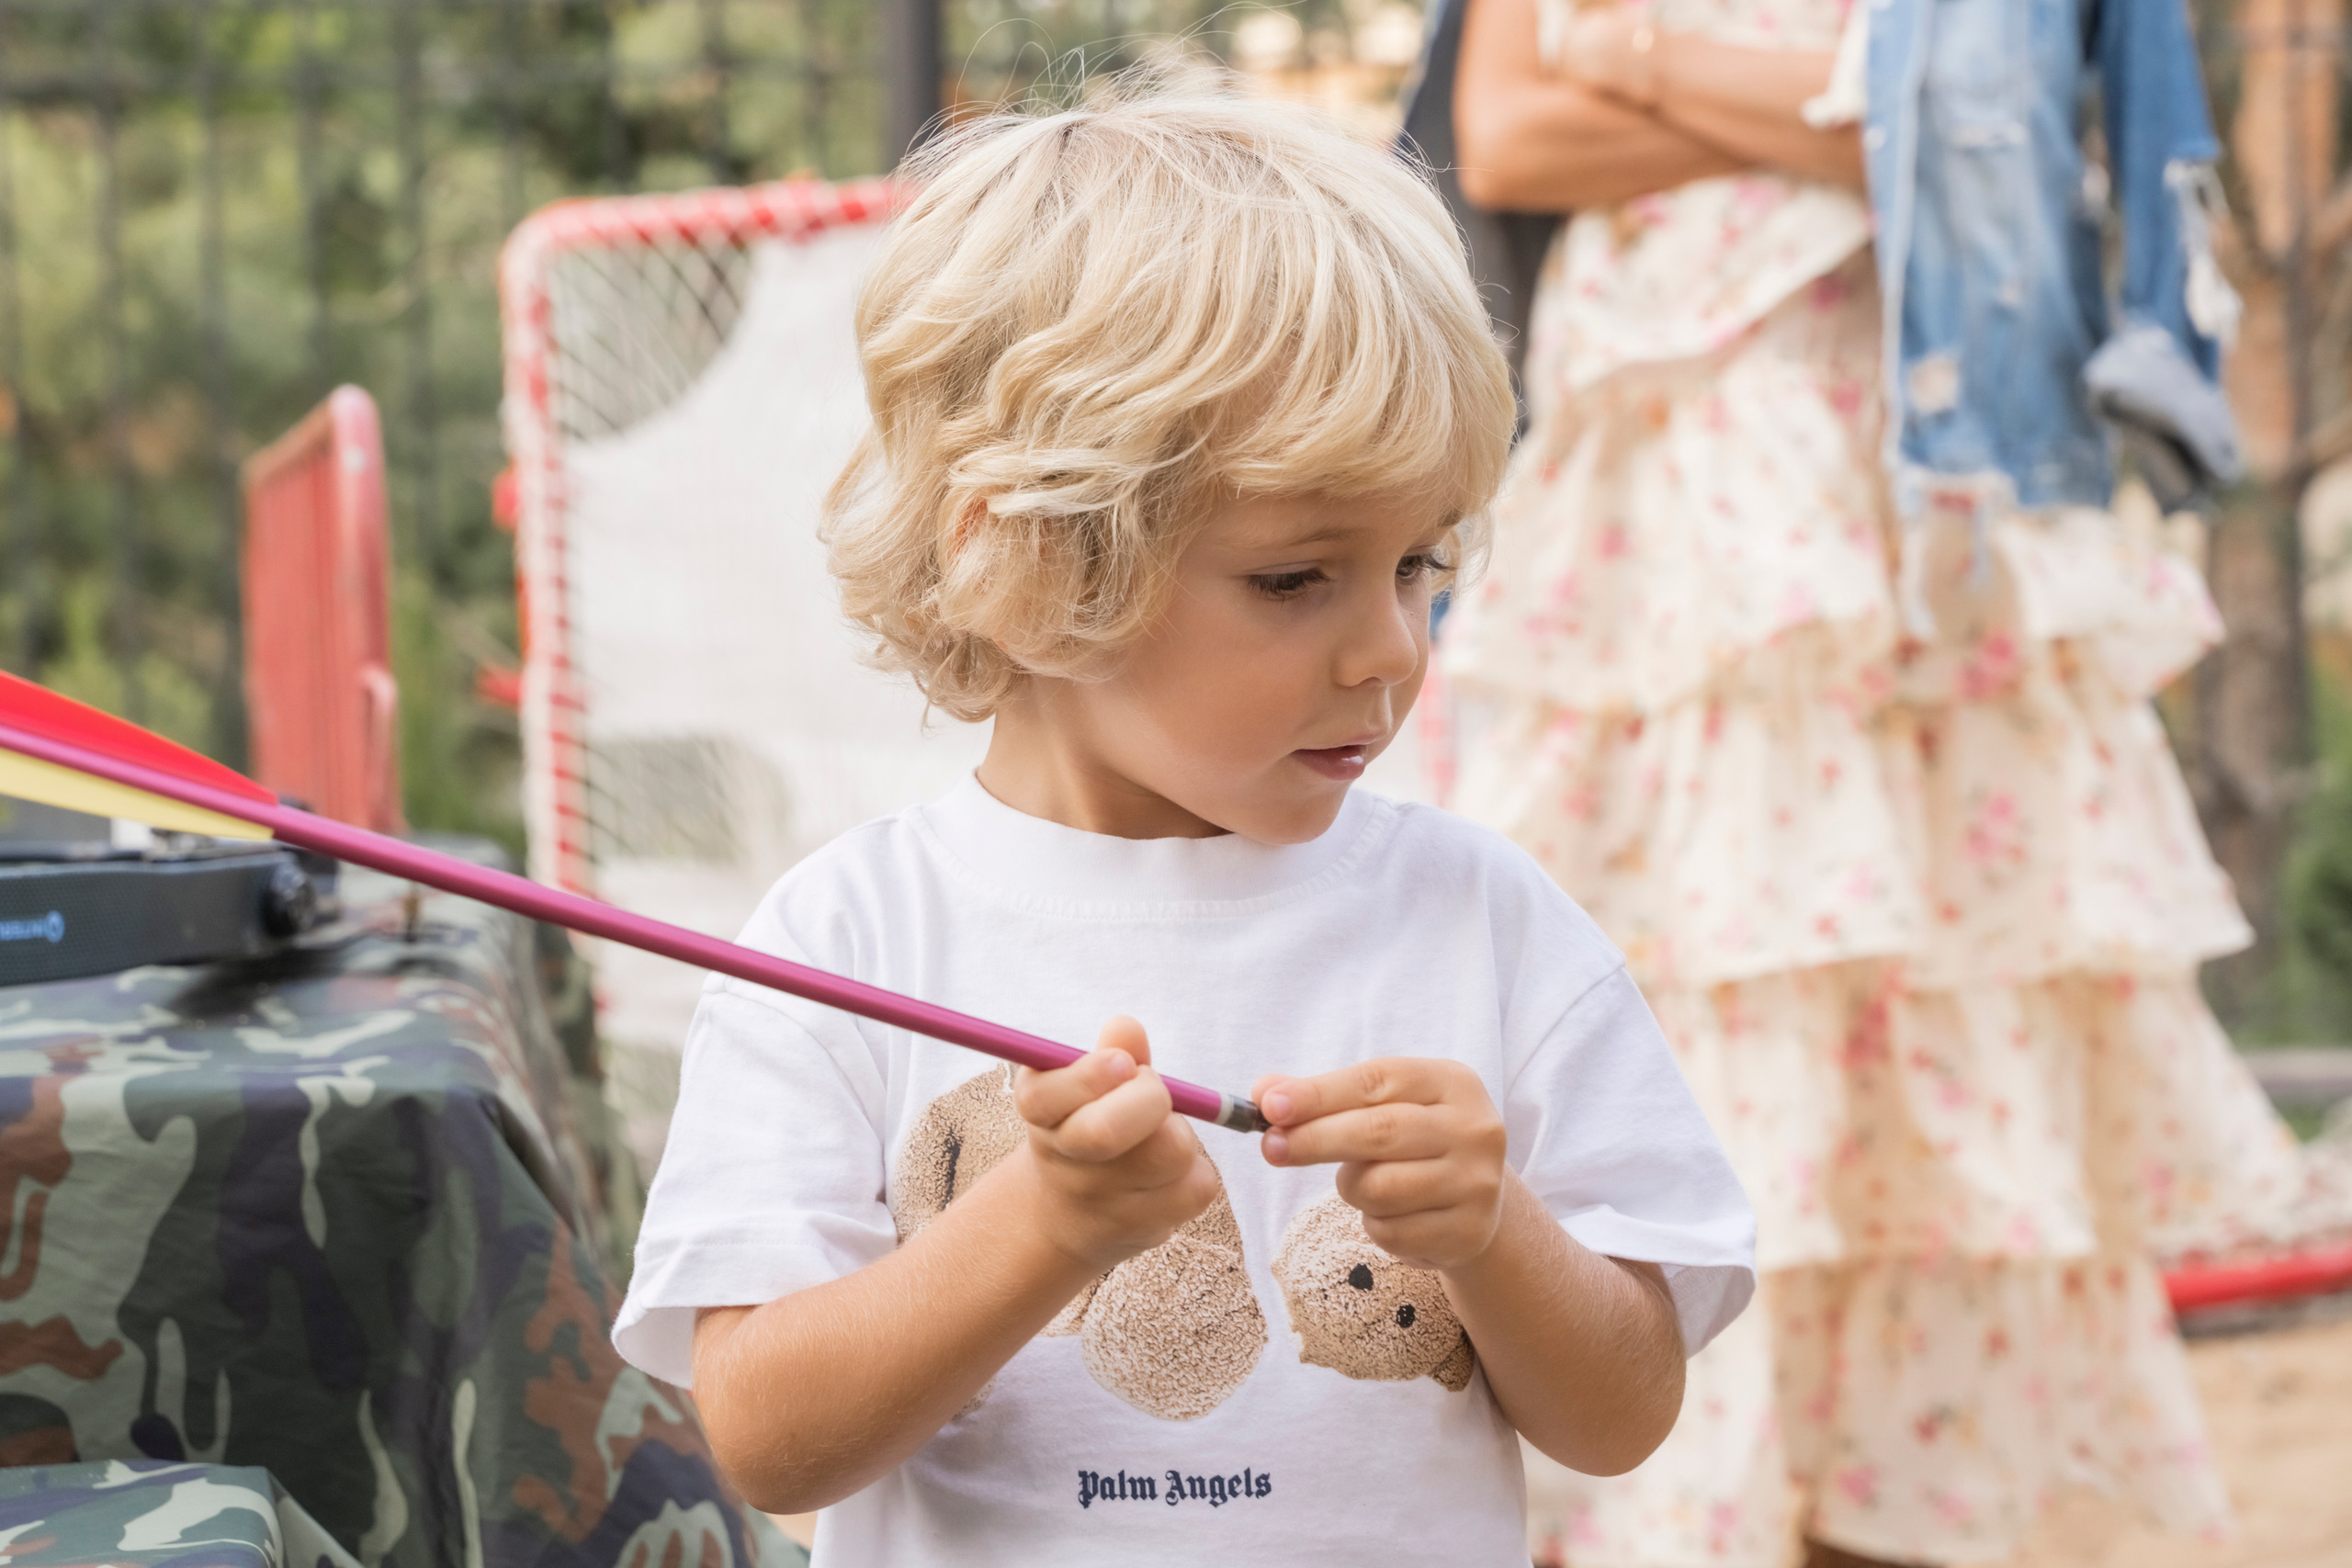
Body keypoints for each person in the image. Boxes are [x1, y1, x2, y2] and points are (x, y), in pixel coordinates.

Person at [609, 87, 1758, 1566]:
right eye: (1297, 579)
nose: (1395, 648)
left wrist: (1493, 1233)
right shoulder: (847, 940)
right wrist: (1043, 1229)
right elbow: (769, 1441)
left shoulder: (1488, 922)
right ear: (1022, 561)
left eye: (1420, 563)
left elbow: (1620, 1417)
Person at [1440, 1, 2302, 1565]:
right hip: (1661, 517)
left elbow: (1948, 123)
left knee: (1924, 1063)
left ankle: (1879, 1520)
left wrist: (1633, 65)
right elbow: (1510, 134)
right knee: (1665, 1004)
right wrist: (1812, 112)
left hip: (1905, 488)